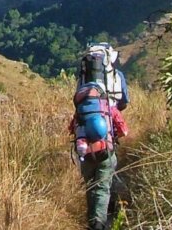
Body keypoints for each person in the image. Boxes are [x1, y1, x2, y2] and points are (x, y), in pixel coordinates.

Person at [70, 51, 129, 230]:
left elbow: (71, 129)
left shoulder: (80, 110)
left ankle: (91, 220)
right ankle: (99, 223)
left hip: (85, 153)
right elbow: (124, 131)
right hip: (106, 151)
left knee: (89, 185)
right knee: (103, 188)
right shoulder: (109, 107)